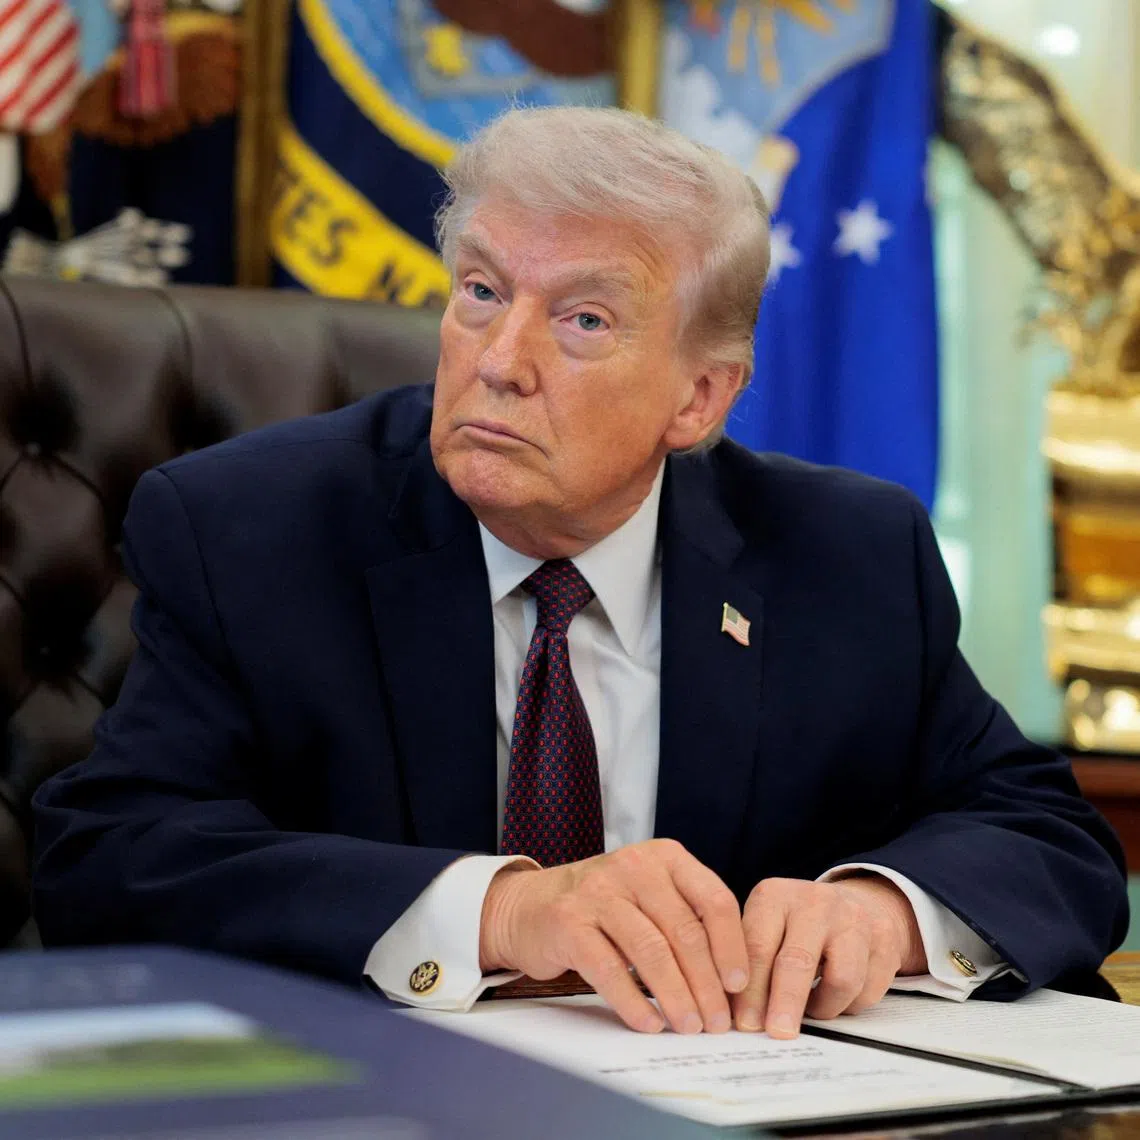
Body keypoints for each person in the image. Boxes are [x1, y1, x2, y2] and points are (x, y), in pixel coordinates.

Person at [32, 107, 1129, 1041]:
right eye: (479, 291)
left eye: (584, 320)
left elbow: (1045, 835)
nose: (499, 361)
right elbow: (113, 858)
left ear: (699, 399)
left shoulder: (846, 554)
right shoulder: (250, 527)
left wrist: (886, 910)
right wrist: (499, 912)